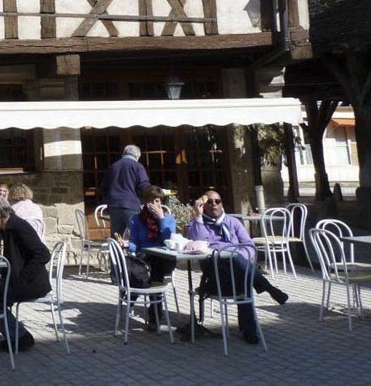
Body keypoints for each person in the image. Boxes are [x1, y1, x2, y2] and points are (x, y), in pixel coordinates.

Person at [187, 189, 288, 344]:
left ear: (222, 204)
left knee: (240, 269)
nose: (214, 204)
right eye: (210, 202)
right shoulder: (196, 224)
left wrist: (238, 256)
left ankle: (250, 330)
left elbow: (249, 246)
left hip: (237, 271)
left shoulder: (232, 222)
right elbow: (198, 244)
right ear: (203, 205)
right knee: (236, 265)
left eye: (217, 201)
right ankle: (266, 291)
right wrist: (198, 217)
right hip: (215, 273)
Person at [0, 194, 50, 352]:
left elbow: (43, 254)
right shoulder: (5, 229)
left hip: (31, 283)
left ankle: (20, 338)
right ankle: (15, 335)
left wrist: (21, 278)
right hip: (17, 280)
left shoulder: (19, 227)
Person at [126, 185, 177, 330]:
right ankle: (155, 318)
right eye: (151, 201)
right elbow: (135, 243)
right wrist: (126, 244)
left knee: (157, 267)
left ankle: (136, 298)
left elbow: (169, 240)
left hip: (165, 258)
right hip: (146, 258)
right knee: (154, 274)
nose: (155, 204)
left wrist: (161, 219)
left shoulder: (168, 219)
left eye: (158, 201)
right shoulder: (137, 219)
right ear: (145, 202)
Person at [98, 145, 151, 237]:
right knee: (136, 234)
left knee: (117, 236)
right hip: (130, 204)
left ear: (123, 154)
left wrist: (108, 200)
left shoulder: (113, 166)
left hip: (114, 205)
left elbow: (103, 187)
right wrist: (151, 196)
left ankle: (116, 247)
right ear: (137, 156)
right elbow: (144, 185)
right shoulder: (137, 166)